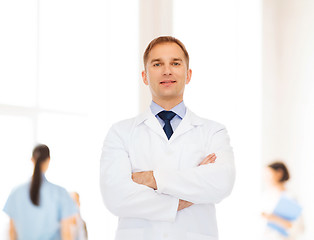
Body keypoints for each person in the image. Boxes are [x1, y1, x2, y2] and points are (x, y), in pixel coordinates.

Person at [100, 36, 235, 240]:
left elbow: (221, 183)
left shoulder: (213, 131)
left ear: (188, 74)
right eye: (157, 64)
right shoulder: (121, 133)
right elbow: (115, 197)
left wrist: (151, 178)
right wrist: (185, 196)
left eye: (175, 63)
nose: (167, 70)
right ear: (144, 76)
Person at [3, 144, 77, 240]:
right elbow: (66, 234)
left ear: (32, 160)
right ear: (48, 160)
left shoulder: (16, 193)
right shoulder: (60, 193)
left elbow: (12, 232)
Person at [261, 161, 304, 240]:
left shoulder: (290, 197)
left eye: (268, 174)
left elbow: (299, 227)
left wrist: (273, 218)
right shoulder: (265, 196)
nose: (265, 178)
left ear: (279, 173)